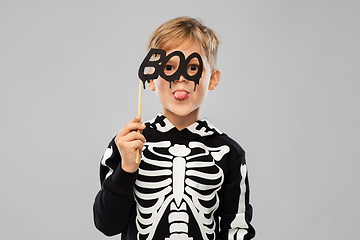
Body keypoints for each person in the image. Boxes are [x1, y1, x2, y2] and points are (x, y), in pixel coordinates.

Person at [93, 16, 255, 240]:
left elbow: (237, 230)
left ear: (212, 80)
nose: (181, 78)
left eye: (193, 68)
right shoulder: (127, 145)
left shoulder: (229, 154)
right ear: (150, 78)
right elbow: (107, 225)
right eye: (168, 67)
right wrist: (125, 170)